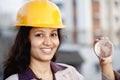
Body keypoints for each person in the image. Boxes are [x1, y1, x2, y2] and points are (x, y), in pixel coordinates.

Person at [3, 0, 119, 80]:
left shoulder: (69, 73)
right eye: (39, 35)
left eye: (53, 34)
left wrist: (106, 63)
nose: (48, 42)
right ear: (26, 39)